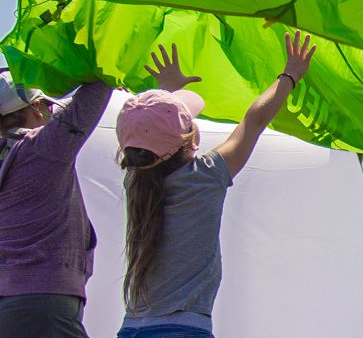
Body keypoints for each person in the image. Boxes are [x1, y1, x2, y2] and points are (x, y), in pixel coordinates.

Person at [112, 36, 315, 338]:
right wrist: (290, 75)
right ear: (192, 140)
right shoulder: (204, 177)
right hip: (181, 330)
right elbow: (254, 119)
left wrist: (168, 92)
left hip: (130, 329)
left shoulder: (136, 180)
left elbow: (150, 141)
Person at [0, 71, 112, 338]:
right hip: (40, 306)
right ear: (36, 107)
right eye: (50, 106)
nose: (53, 113)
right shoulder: (45, 147)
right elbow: (99, 86)